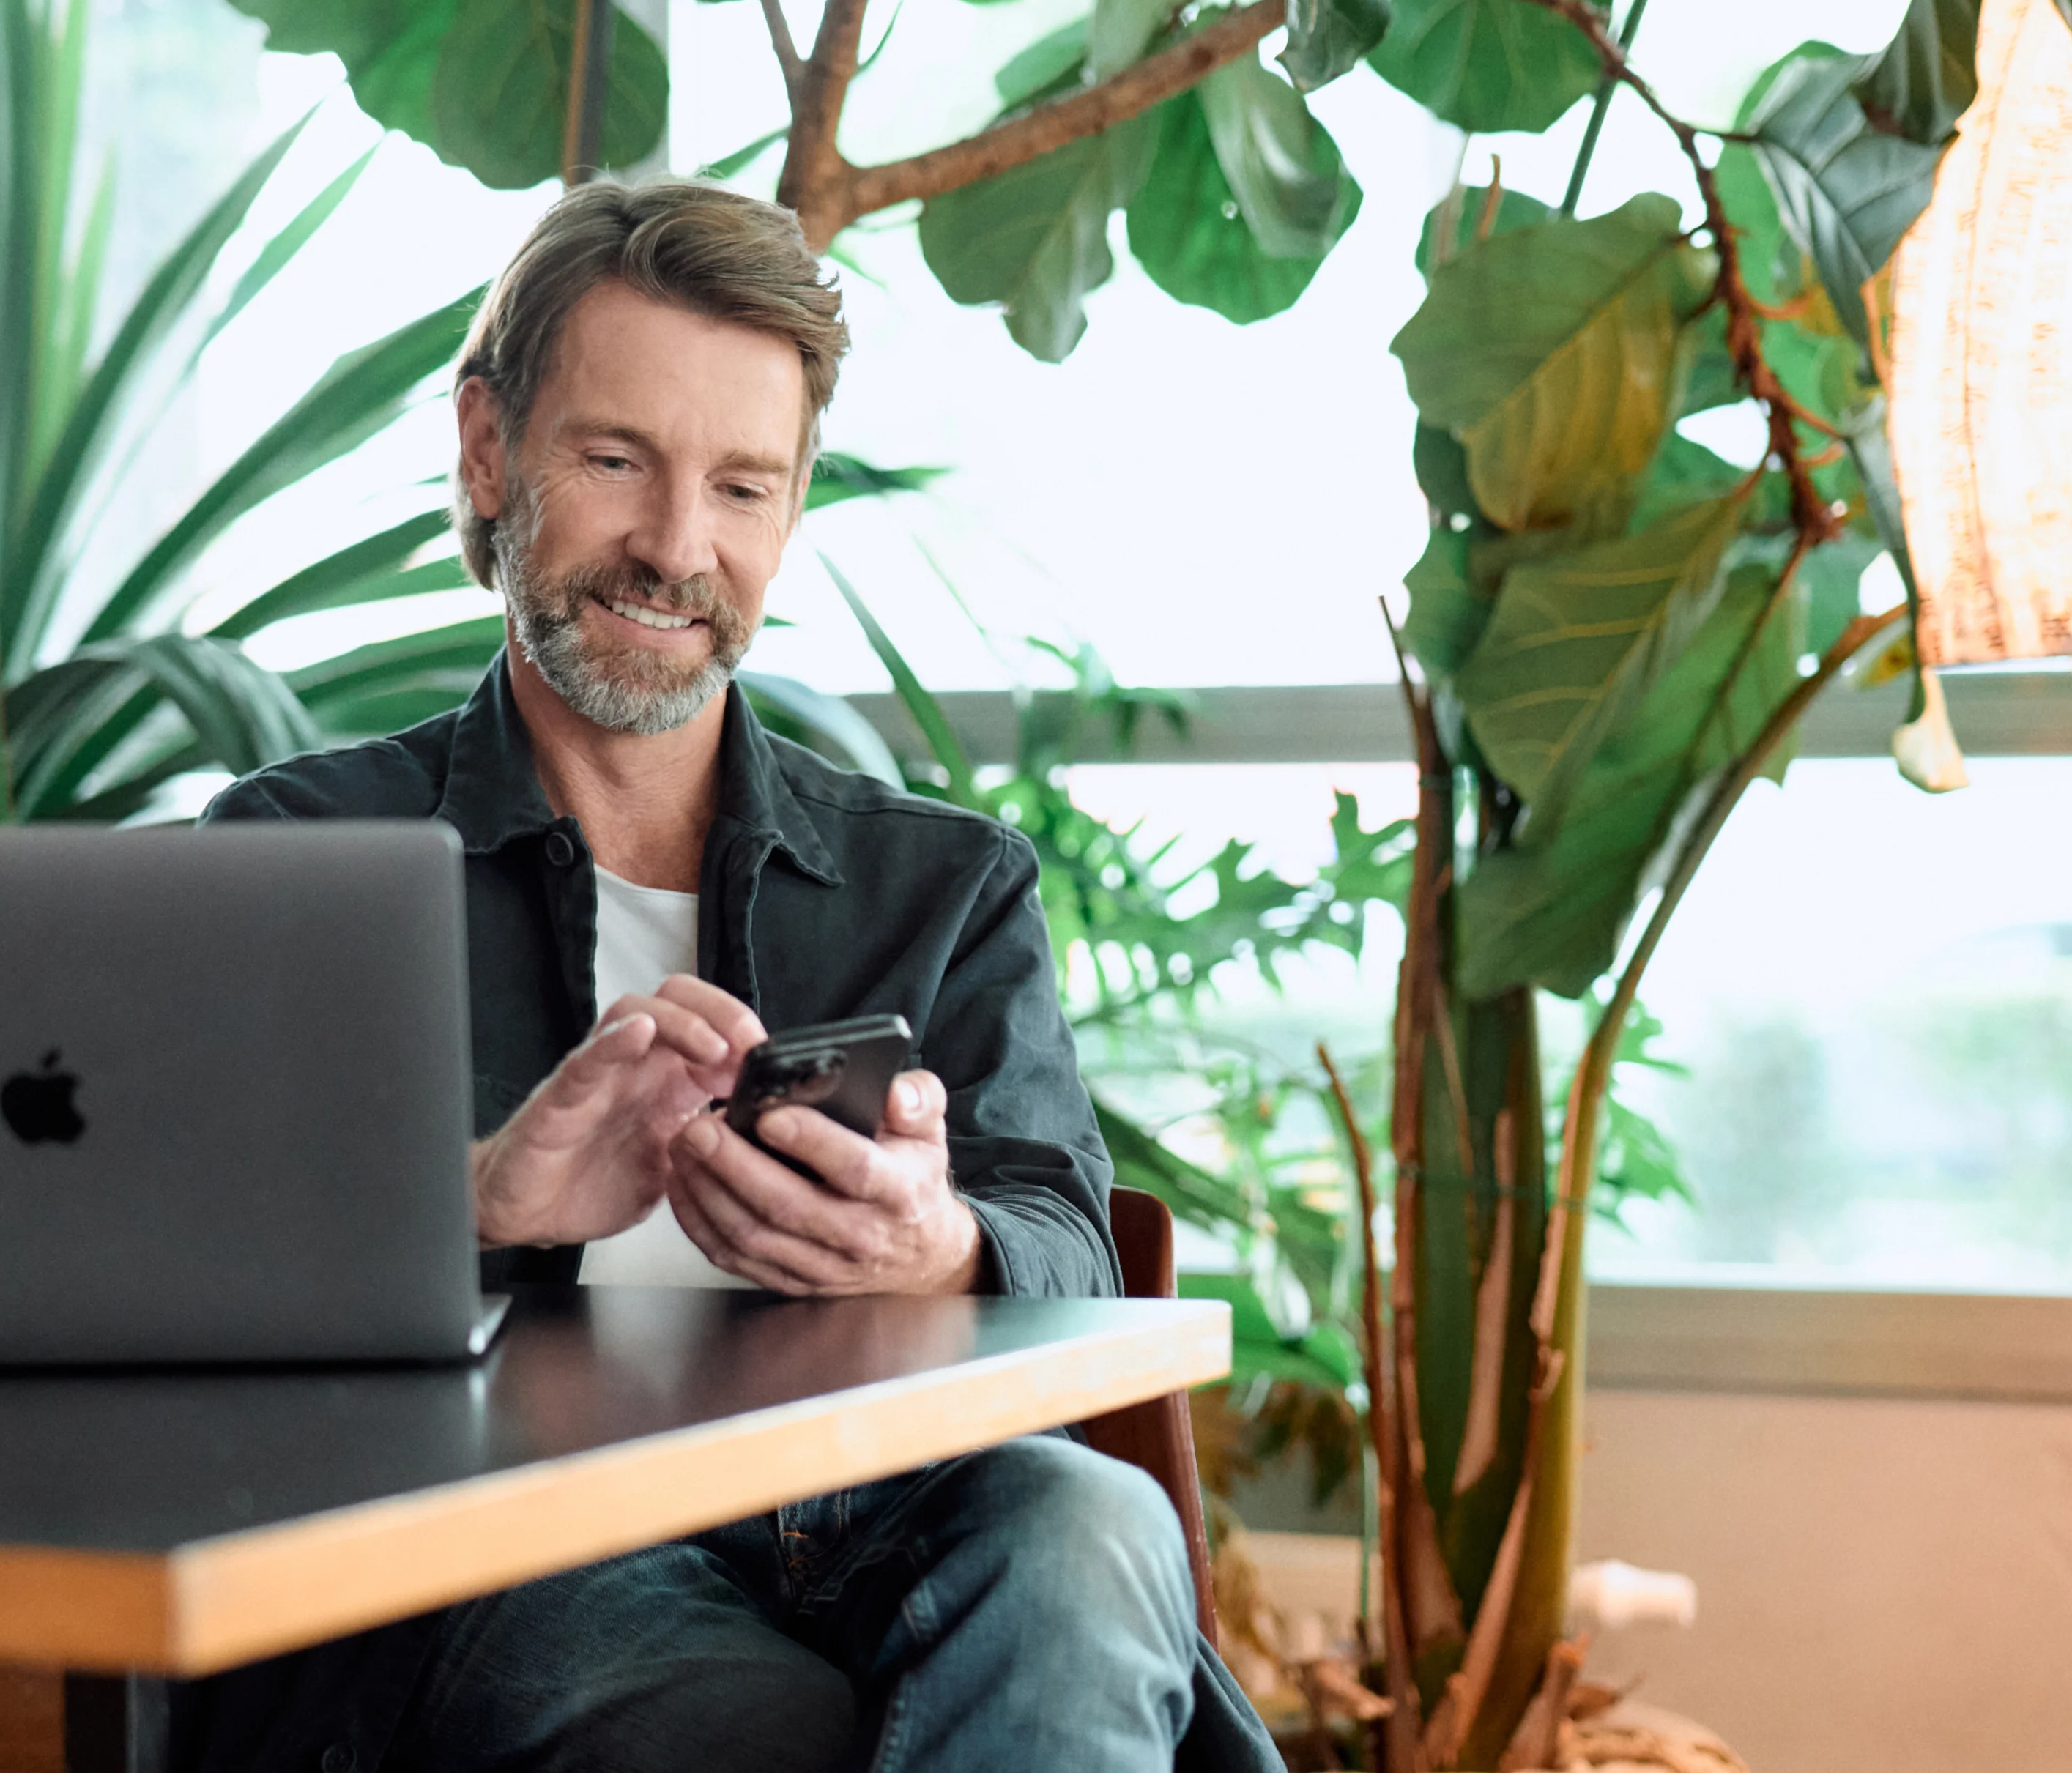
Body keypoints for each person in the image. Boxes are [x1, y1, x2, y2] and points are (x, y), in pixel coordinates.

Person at [182, 180, 1274, 1773]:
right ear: (489, 450)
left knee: (1089, 1534)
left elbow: (1066, 1237)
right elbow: (168, 1275)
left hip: (894, 1501)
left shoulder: (944, 884)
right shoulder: (301, 854)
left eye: (742, 487)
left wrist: (941, 1240)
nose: (677, 548)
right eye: (616, 460)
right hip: (495, 1554)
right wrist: (481, 1196)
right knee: (753, 1723)